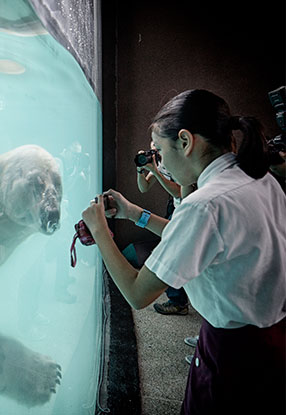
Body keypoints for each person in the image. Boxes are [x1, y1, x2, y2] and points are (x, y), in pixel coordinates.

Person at [82, 89, 286, 414]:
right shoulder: (259, 180)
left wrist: (100, 231)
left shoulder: (203, 205)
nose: (159, 164)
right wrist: (134, 213)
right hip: (271, 341)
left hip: (233, 355)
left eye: (160, 152)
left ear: (186, 141)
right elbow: (197, 241)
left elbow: (137, 293)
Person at [135, 143, 196, 315]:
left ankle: (178, 301)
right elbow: (143, 188)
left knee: (172, 252)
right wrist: (141, 170)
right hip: (177, 208)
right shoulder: (160, 162)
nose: (153, 148)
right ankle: (178, 300)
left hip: (190, 209)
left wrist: (155, 171)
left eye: (157, 144)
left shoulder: (179, 160)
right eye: (151, 144)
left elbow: (180, 192)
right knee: (171, 250)